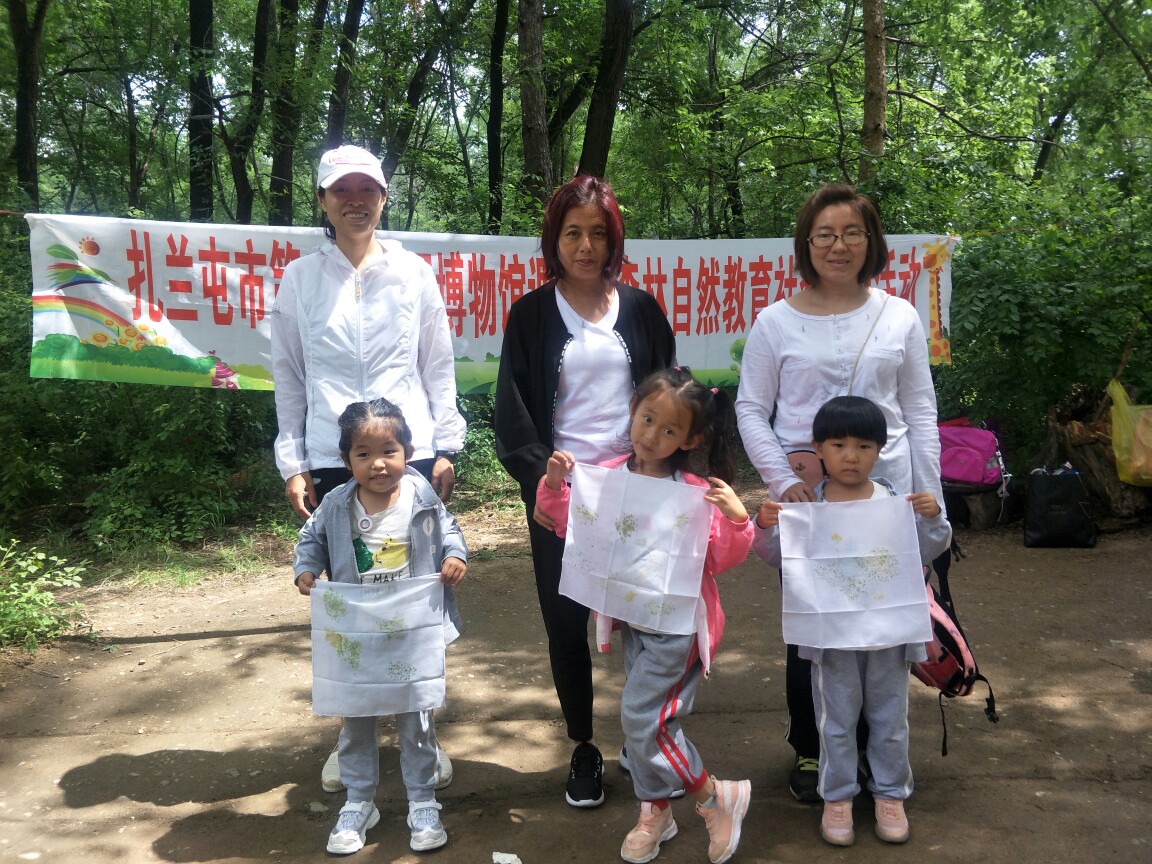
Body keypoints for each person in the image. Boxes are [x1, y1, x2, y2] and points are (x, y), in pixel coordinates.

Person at [734, 183, 943, 803]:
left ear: (870, 242)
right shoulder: (775, 321)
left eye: (852, 233)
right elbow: (751, 409)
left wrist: (929, 496)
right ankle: (813, 748)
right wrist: (785, 483)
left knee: (883, 626)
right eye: (824, 234)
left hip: (887, 502)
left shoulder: (899, 316)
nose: (838, 245)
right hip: (811, 502)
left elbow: (920, 410)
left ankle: (881, 759)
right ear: (806, 244)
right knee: (815, 624)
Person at [271, 144, 466, 793]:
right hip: (334, 457)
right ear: (323, 201)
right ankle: (353, 736)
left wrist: (445, 445)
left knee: (413, 597)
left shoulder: (412, 273)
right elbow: (289, 374)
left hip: (405, 455)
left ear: (383, 197)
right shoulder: (300, 278)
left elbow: (437, 362)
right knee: (351, 603)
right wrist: (294, 460)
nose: (355, 200)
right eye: (341, 190)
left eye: (367, 189)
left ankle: (421, 731)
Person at [494, 174, 676, 808]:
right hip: (563, 495)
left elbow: (669, 398)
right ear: (554, 240)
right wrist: (542, 479)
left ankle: (645, 738)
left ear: (614, 239)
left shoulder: (643, 311)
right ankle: (583, 748)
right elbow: (513, 411)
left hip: (637, 489)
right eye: (573, 233)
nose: (586, 246)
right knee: (566, 624)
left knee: (646, 623)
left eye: (599, 233)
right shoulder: (531, 315)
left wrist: (673, 469)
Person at [535, 367, 753, 864]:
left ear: (690, 440)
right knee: (652, 725)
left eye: (669, 429)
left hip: (678, 629)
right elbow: (572, 527)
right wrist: (554, 485)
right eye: (647, 418)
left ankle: (714, 798)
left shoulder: (696, 491)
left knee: (641, 721)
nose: (652, 435)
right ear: (633, 410)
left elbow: (720, 558)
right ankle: (656, 811)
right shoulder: (608, 476)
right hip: (635, 622)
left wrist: (738, 519)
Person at [753, 395, 951, 846]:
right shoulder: (807, 505)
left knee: (890, 718)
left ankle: (890, 794)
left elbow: (928, 549)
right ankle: (838, 796)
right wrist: (764, 526)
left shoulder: (894, 501)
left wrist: (933, 518)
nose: (850, 456)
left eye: (864, 446)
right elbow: (775, 556)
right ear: (818, 448)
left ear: (880, 450)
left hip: (889, 637)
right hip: (832, 640)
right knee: (835, 720)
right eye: (838, 445)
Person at [293, 398, 467, 855]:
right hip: (356, 630)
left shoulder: (422, 497)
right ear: (346, 459)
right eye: (363, 454)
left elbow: (450, 530)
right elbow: (310, 539)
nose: (378, 464)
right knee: (356, 717)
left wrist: (454, 555)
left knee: (417, 718)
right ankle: (358, 801)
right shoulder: (335, 504)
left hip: (412, 630)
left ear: (407, 451)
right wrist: (306, 569)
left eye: (389, 451)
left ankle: (422, 800)